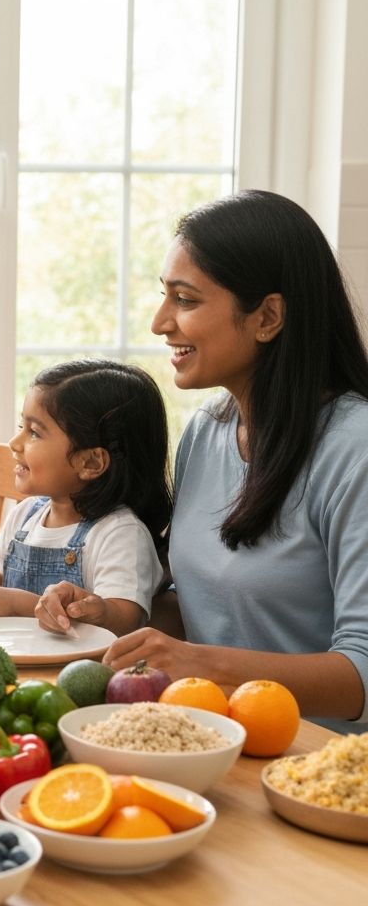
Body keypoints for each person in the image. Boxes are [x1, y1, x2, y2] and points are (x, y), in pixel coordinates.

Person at [90, 190, 368, 730]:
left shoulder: (354, 447)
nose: (159, 322)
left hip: (323, 768)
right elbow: (198, 602)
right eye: (163, 296)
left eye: (186, 300)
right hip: (213, 740)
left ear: (267, 317)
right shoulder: (207, 430)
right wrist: (111, 615)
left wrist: (200, 663)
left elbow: (361, 675)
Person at [0, 359, 171, 634]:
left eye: (34, 432)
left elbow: (125, 621)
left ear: (90, 463)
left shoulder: (120, 533)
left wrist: (18, 605)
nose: (14, 443)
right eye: (21, 427)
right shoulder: (27, 514)